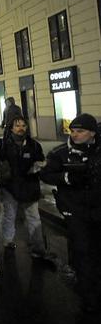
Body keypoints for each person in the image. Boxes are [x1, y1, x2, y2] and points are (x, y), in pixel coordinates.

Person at [40, 113, 101, 313]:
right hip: (74, 209)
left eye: (80, 131)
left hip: (97, 208)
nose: (75, 134)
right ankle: (88, 296)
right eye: (72, 131)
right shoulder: (60, 153)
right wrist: (67, 177)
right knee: (81, 250)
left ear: (92, 133)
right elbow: (46, 174)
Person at [0, 116, 47, 257]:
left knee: (33, 217)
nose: (21, 128)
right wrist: (1, 167)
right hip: (10, 187)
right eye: (17, 125)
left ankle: (38, 246)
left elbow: (41, 162)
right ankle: (8, 242)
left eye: (23, 125)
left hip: (29, 187)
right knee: (9, 216)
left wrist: (37, 167)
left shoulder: (34, 145)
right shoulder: (1, 145)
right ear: (11, 128)